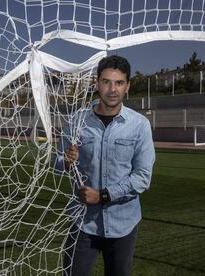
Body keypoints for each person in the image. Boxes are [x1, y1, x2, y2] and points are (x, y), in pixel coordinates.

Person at [54, 55, 155, 276]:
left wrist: (102, 196)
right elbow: (58, 162)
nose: (112, 89)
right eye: (107, 81)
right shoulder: (77, 120)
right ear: (97, 83)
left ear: (127, 86)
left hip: (123, 225)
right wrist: (68, 162)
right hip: (82, 222)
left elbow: (142, 177)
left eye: (119, 83)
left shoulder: (139, 126)